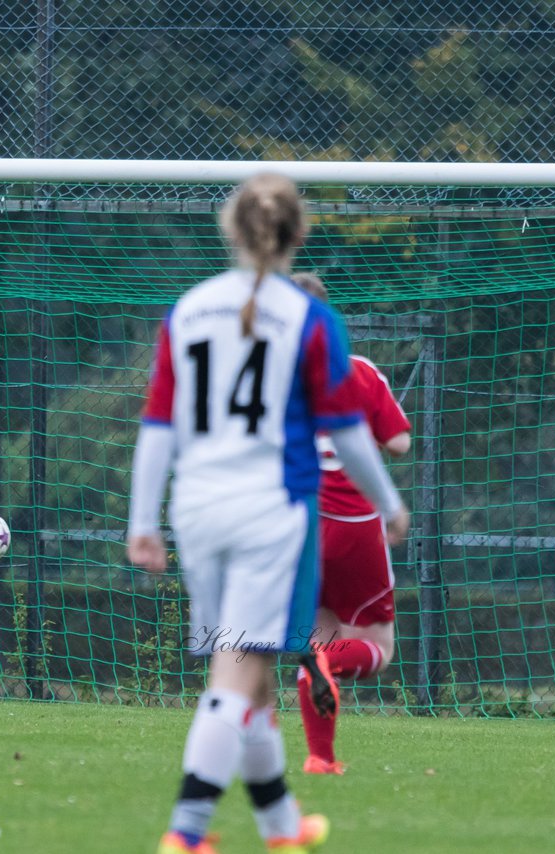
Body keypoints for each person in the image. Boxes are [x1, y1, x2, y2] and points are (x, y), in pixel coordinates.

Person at [127, 173, 410, 854]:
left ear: (229, 231)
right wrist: (390, 503)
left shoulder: (189, 309)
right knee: (236, 668)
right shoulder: (310, 319)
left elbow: (159, 427)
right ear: (297, 236)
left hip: (195, 508)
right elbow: (348, 433)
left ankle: (281, 827)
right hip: (270, 512)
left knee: (247, 670)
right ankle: (187, 830)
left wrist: (142, 518)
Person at [289, 272, 412, 776]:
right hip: (355, 523)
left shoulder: (268, 378)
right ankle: (326, 667)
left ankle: (321, 757)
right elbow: (400, 443)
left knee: (317, 635)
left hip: (296, 525)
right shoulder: (357, 372)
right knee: (378, 645)